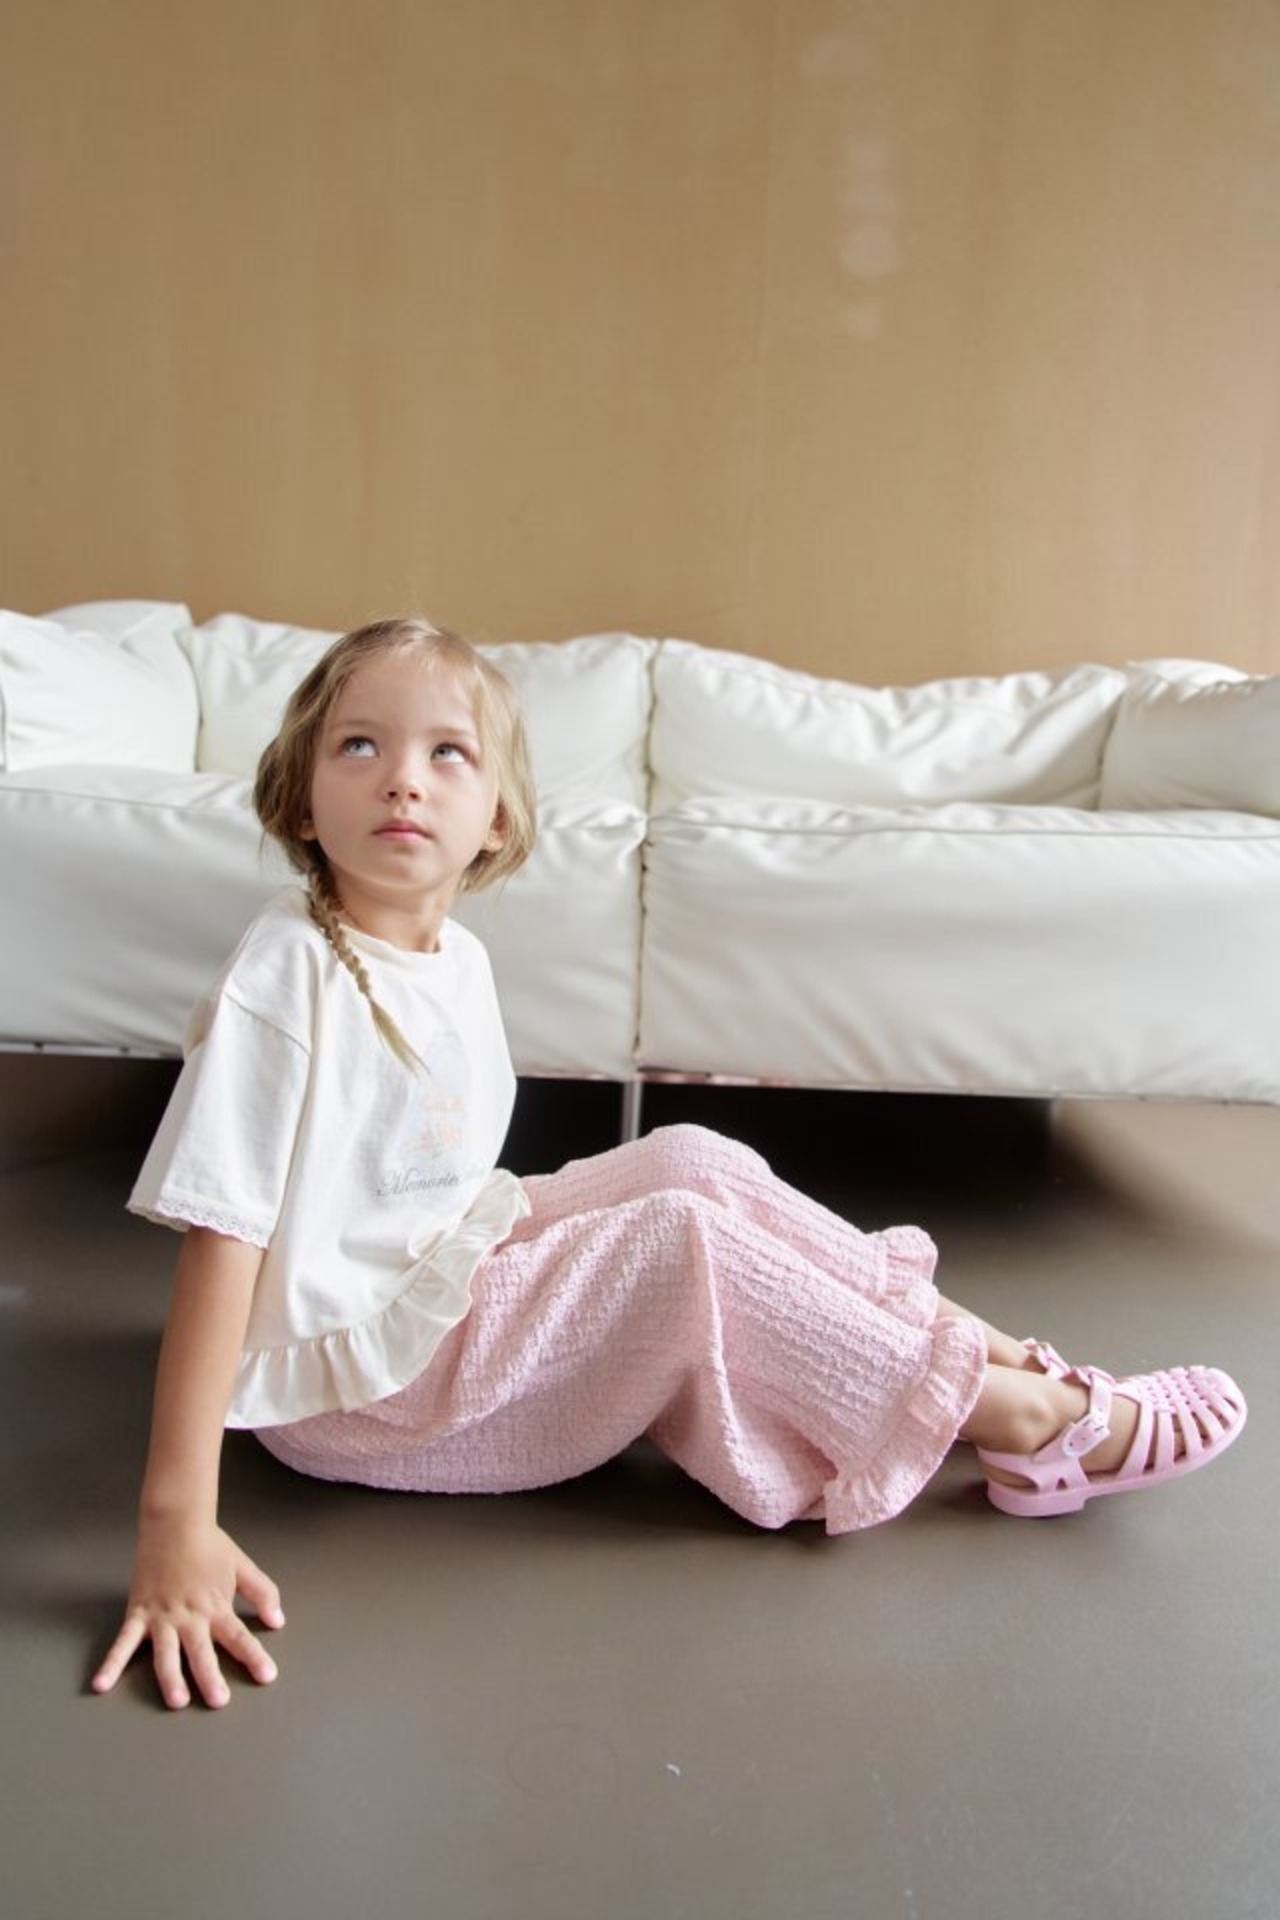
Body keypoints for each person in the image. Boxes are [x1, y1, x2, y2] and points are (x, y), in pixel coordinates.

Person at [91, 617, 1248, 1712]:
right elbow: (224, 1233)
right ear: (300, 797)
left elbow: (422, 1199)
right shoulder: (285, 975)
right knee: (675, 1242)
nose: (403, 779)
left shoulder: (455, 959)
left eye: (448, 753)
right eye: (359, 746)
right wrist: (174, 1522)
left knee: (691, 1159)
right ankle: (1020, 1419)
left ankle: (994, 1351)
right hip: (363, 1391)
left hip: (431, 1279)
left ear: (495, 817)